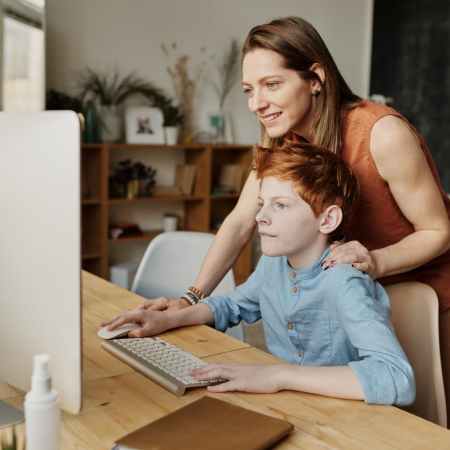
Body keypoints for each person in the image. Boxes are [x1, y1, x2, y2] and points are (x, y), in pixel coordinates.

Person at [109, 16, 450, 418]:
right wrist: (189, 299)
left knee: (425, 418)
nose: (257, 103)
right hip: (351, 288)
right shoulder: (281, 139)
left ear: (316, 78)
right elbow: (239, 221)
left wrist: (376, 261)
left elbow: (438, 230)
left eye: (272, 85)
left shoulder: (382, 133)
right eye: (249, 90)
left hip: (422, 292)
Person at [104, 143, 415, 405]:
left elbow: (396, 378)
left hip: (343, 416)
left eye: (279, 206)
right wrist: (171, 317)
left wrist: (277, 375)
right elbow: (234, 305)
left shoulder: (343, 281)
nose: (260, 217)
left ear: (327, 219)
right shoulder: (274, 264)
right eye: (262, 203)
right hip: (291, 403)